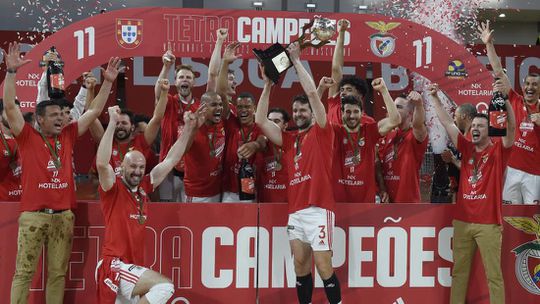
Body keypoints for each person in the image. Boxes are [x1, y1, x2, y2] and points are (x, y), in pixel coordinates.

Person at [3, 42, 122, 303]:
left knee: (57, 274)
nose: (60, 118)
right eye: (54, 115)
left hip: (64, 218)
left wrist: (107, 83)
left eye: (62, 114)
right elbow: (10, 109)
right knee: (23, 273)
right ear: (40, 119)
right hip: (33, 218)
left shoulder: (68, 134)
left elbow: (93, 112)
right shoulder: (27, 136)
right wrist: (11, 73)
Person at [255, 42, 342, 304]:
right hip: (296, 211)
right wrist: (269, 84)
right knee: (300, 266)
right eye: (295, 110)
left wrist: (296, 62)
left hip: (318, 208)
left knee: (324, 266)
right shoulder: (290, 139)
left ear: (313, 114)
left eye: (303, 110)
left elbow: (314, 96)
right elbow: (260, 120)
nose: (298, 113)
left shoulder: (322, 132)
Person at [95, 104, 204, 303]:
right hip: (114, 265)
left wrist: (188, 129)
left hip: (132, 267)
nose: (137, 171)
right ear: (122, 167)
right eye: (132, 166)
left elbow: (171, 159)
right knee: (164, 286)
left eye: (141, 167)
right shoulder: (112, 188)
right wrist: (111, 123)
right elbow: (102, 164)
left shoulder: (146, 185)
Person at [429, 82, 515, 304]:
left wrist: (505, 101)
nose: (475, 128)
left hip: (489, 224)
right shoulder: (465, 147)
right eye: (474, 124)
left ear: (490, 130)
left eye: (481, 125)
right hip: (463, 222)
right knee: (459, 274)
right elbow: (447, 122)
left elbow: (511, 131)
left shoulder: (498, 151)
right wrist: (435, 98)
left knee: (494, 276)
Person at [155, 29, 228, 202]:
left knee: (189, 214)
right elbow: (158, 92)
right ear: (175, 82)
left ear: (194, 82)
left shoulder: (202, 105)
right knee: (167, 209)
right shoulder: (170, 101)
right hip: (169, 167)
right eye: (181, 77)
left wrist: (219, 42)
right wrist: (166, 67)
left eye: (188, 77)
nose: (185, 80)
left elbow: (213, 75)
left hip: (191, 171)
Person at [479, 20, 540, 204]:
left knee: (533, 219)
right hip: (511, 170)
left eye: (535, 85)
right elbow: (498, 70)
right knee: (510, 217)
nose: (530, 87)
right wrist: (488, 44)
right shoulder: (513, 99)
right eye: (527, 84)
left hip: (535, 175)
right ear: (523, 86)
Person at [327, 78, 401, 203]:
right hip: (337, 202)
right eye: (348, 112)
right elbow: (316, 118)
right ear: (342, 113)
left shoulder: (369, 130)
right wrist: (320, 89)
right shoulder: (334, 131)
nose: (352, 116)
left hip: (365, 202)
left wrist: (383, 90)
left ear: (362, 113)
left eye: (356, 112)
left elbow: (395, 120)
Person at [89, 78, 169, 175]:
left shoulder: (142, 141)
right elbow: (90, 117)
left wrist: (164, 92)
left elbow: (157, 119)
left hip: (136, 188)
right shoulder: (106, 142)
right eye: (117, 123)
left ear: (132, 127)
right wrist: (90, 90)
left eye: (124, 123)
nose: (120, 126)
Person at [317, 19, 374, 126]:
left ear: (360, 95)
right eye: (342, 89)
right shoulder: (335, 103)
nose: (343, 92)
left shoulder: (368, 122)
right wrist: (342, 33)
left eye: (349, 90)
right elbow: (336, 68)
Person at [377, 91, 428, 203]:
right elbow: (379, 168)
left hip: (408, 205)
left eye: (399, 107)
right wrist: (382, 189)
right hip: (386, 204)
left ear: (410, 113)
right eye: (393, 107)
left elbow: (418, 124)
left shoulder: (414, 135)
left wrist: (419, 104)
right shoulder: (388, 136)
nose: (394, 110)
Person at [221, 91, 267, 202]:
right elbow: (221, 95)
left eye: (247, 106)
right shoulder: (231, 123)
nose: (243, 110)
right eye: (240, 107)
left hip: (251, 190)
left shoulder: (260, 126)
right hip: (229, 192)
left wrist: (255, 145)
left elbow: (263, 141)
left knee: (249, 220)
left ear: (254, 109)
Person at [440, 103, 477, 200]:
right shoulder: (466, 136)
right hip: (462, 191)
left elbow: (474, 169)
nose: (454, 120)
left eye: (455, 116)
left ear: (463, 116)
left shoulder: (474, 137)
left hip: (472, 194)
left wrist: (452, 159)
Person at [257, 108, 289, 203]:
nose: (271, 125)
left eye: (276, 121)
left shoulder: (293, 144)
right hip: (264, 206)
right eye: (269, 121)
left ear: (285, 125)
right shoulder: (261, 144)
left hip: (289, 207)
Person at [0, 99, 22, 201]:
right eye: (10, 112)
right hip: (3, 205)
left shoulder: (26, 138)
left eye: (18, 112)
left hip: (26, 205)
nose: (15, 116)